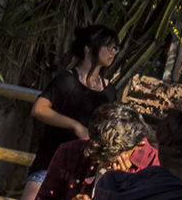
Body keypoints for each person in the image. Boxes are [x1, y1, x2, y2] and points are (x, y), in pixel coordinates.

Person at [17, 101, 158, 200]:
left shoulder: (155, 165)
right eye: (97, 158)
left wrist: (126, 185)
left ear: (137, 146)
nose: (101, 164)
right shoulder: (71, 151)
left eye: (109, 159)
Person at [30, 24, 120, 176]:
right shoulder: (66, 80)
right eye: (108, 46)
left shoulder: (109, 92)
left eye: (115, 48)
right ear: (89, 48)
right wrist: (75, 125)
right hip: (50, 163)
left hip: (84, 171)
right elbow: (39, 109)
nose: (113, 52)